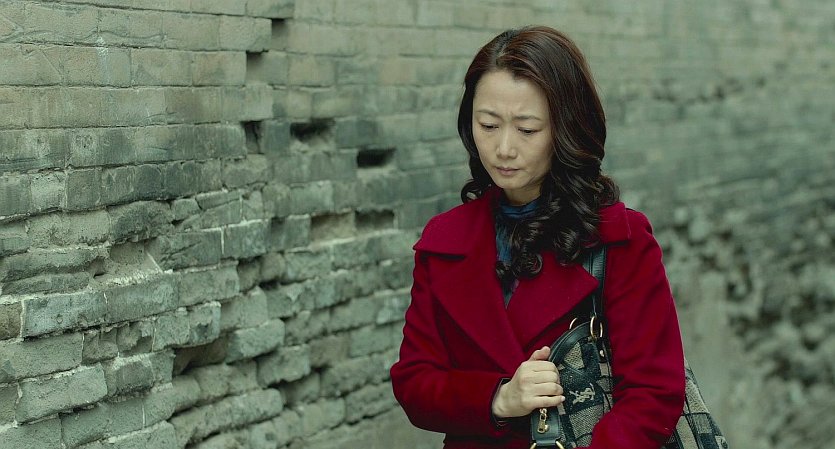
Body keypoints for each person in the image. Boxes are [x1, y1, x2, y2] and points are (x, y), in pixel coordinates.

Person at [390, 26, 685, 449]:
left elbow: (654, 391)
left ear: (565, 129)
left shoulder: (618, 239)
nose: (503, 148)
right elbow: (415, 383)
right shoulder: (445, 242)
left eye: (527, 130)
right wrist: (498, 398)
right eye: (488, 125)